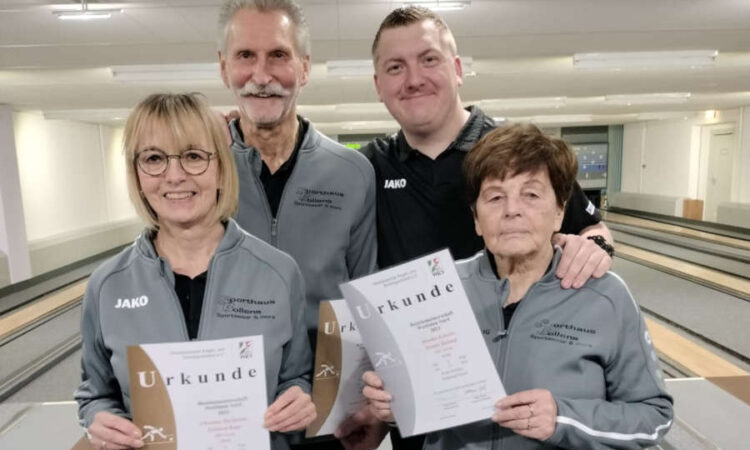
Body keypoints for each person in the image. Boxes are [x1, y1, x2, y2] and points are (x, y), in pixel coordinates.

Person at [359, 10, 614, 447]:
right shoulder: (366, 166)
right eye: (395, 67)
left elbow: (594, 229)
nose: (413, 78)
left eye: (429, 60)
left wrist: (592, 249)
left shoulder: (516, 152)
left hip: (522, 391)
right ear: (379, 85)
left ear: (457, 70)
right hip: (425, 403)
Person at [362, 123, 673, 450]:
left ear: (559, 212)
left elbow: (653, 417)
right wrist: (394, 404)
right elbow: (418, 402)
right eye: (495, 197)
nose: (512, 210)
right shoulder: (437, 291)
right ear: (477, 220)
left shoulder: (605, 297)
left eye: (531, 194)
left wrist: (562, 418)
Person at [74, 93, 315, 450]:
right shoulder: (108, 284)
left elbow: (296, 376)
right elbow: (94, 394)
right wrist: (99, 420)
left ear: (220, 168)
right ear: (137, 175)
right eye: (154, 158)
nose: (174, 175)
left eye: (193, 156)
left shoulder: (278, 272)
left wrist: (298, 397)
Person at [217, 0, 377, 341]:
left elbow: (367, 294)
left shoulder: (352, 172)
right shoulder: (200, 172)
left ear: (304, 68)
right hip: (235, 378)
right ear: (223, 67)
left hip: (329, 377)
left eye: (278, 55)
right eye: (245, 55)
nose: (261, 76)